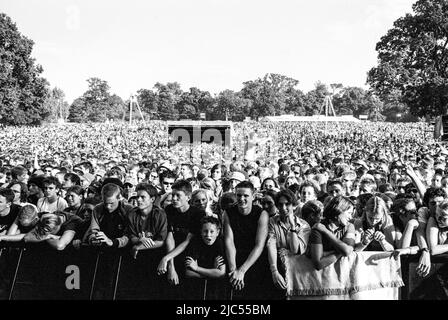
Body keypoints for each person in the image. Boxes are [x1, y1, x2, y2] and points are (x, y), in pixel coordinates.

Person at [222, 181, 269, 299]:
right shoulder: (228, 213)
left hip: (254, 257)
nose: (242, 199)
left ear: (253, 197)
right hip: (234, 256)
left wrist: (242, 271)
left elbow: (259, 245)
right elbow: (229, 241)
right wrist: (234, 271)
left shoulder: (261, 214)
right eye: (239, 195)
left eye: (246, 196)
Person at [157, 180, 204, 289]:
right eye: (173, 195)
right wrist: (170, 266)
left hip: (189, 254)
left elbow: (187, 241)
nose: (174, 198)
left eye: (178, 195)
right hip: (171, 253)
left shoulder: (198, 214)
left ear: (188, 197)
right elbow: (170, 237)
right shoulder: (169, 210)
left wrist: (165, 259)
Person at [266, 189, 310, 293]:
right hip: (279, 267)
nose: (283, 208)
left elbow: (295, 250)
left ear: (294, 206)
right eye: (280, 205)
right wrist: (274, 272)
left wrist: (293, 227)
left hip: (298, 272)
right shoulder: (272, 221)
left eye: (287, 204)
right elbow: (271, 245)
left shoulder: (304, 226)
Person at [309, 196, 355, 270]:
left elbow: (346, 251)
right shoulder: (318, 228)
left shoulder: (350, 226)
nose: (350, 217)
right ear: (339, 211)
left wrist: (326, 231)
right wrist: (341, 250)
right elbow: (318, 264)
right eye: (349, 213)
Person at [127, 183, 167, 258]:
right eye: (137, 197)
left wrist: (139, 247)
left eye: (143, 197)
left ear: (152, 199)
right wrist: (140, 239)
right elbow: (132, 237)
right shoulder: (132, 214)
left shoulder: (160, 215)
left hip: (156, 253)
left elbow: (161, 241)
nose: (138, 200)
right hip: (137, 255)